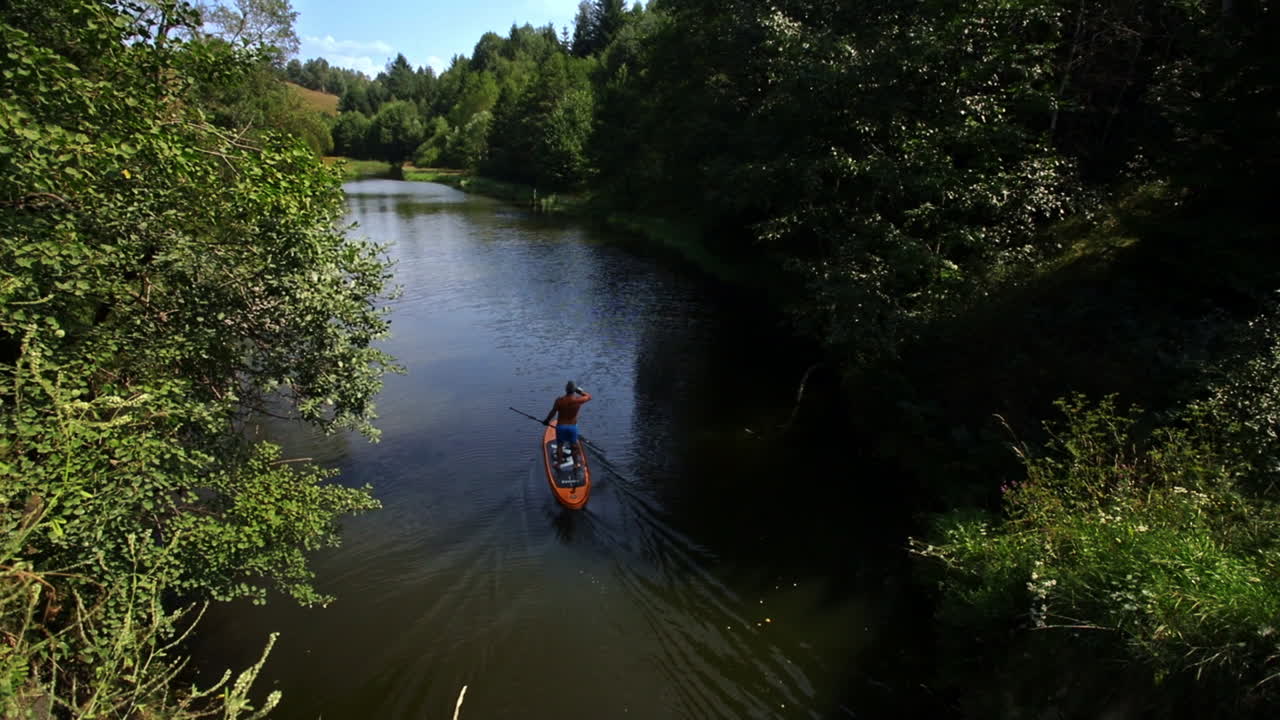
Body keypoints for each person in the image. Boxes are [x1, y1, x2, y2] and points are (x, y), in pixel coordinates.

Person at [543, 380, 591, 470]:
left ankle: (558, 464)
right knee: (574, 445)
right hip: (572, 427)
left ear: (565, 389)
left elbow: (552, 412)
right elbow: (589, 396)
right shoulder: (578, 400)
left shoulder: (559, 401)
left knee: (560, 445)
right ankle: (576, 464)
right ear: (574, 391)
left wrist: (546, 421)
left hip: (561, 427)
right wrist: (580, 391)